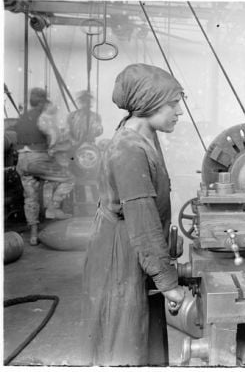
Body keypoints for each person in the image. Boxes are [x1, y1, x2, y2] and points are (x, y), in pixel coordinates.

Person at [81, 64, 186, 366]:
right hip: (121, 254)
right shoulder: (129, 148)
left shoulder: (142, 134)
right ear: (149, 103)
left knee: (141, 339)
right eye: (173, 104)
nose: (179, 112)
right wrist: (168, 283)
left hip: (133, 247)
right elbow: (142, 220)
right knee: (125, 342)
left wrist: (164, 250)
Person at [14, 88, 75, 245]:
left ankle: (34, 236)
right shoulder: (43, 117)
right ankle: (53, 207)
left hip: (22, 160)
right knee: (69, 178)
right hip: (38, 159)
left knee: (30, 197)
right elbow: (54, 138)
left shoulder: (22, 117)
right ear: (41, 102)